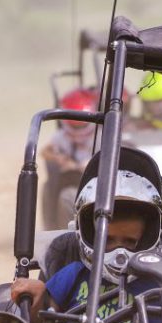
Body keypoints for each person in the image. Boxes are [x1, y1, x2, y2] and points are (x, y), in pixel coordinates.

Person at [12, 147, 162, 323]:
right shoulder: (74, 273)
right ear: (91, 235)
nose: (119, 252)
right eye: (109, 240)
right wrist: (36, 293)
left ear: (145, 238)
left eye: (129, 242)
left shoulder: (153, 288)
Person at [40, 87, 99, 228]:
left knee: (67, 197)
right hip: (72, 183)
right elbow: (44, 151)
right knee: (50, 188)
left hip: (96, 183)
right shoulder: (62, 137)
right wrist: (58, 157)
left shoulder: (101, 135)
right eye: (75, 126)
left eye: (82, 125)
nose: (78, 130)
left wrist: (77, 166)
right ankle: (53, 229)